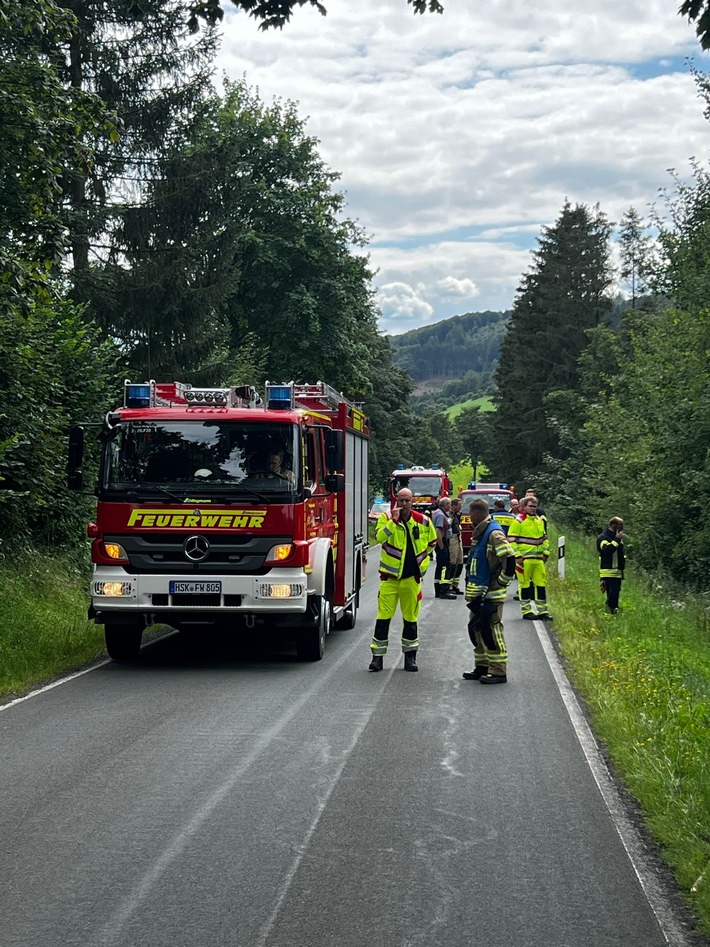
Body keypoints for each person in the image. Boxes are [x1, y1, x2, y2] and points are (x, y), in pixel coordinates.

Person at [369, 488, 437, 672]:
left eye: (407, 500)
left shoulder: (423, 521)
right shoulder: (386, 518)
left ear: (412, 501)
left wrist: (420, 564)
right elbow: (379, 537)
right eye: (401, 500)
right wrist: (393, 521)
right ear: (396, 501)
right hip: (389, 580)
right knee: (383, 618)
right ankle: (377, 658)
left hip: (411, 580)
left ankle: (410, 658)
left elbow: (432, 543)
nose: (404, 504)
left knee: (410, 620)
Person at [462, 498, 516, 684]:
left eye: (470, 515)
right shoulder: (482, 532)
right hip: (479, 595)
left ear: (476, 514)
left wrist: (501, 582)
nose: (469, 518)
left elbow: (509, 558)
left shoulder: (493, 533)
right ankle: (482, 667)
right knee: (477, 629)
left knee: (491, 632)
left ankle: (498, 671)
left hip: (491, 595)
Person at [508, 495, 552, 621]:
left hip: (538, 560)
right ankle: (527, 611)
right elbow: (511, 540)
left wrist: (546, 553)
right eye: (530, 506)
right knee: (525, 586)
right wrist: (517, 556)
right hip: (524, 560)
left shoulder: (539, 520)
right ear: (524, 507)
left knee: (541, 585)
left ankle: (543, 611)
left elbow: (545, 539)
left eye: (535, 506)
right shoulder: (518, 521)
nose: (533, 508)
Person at [597, 516, 625, 614]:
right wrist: (617, 540)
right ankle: (611, 612)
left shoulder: (616, 536)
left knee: (615, 594)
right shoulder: (603, 537)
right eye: (620, 528)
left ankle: (611, 611)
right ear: (614, 526)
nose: (622, 530)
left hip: (617, 572)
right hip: (609, 572)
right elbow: (607, 551)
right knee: (612, 594)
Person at [432, 496, 456, 599]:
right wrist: (442, 547)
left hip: (442, 543)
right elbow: (438, 532)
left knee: (440, 567)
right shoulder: (440, 515)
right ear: (445, 505)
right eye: (449, 504)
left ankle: (438, 590)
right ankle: (444, 590)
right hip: (442, 543)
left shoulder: (439, 513)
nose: (450, 506)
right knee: (445, 567)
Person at [447, 496, 465, 594]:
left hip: (458, 537)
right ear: (453, 506)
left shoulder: (457, 515)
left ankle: (455, 585)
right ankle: (449, 585)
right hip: (452, 538)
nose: (460, 507)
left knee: (460, 562)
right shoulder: (449, 515)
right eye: (459, 505)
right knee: (452, 562)